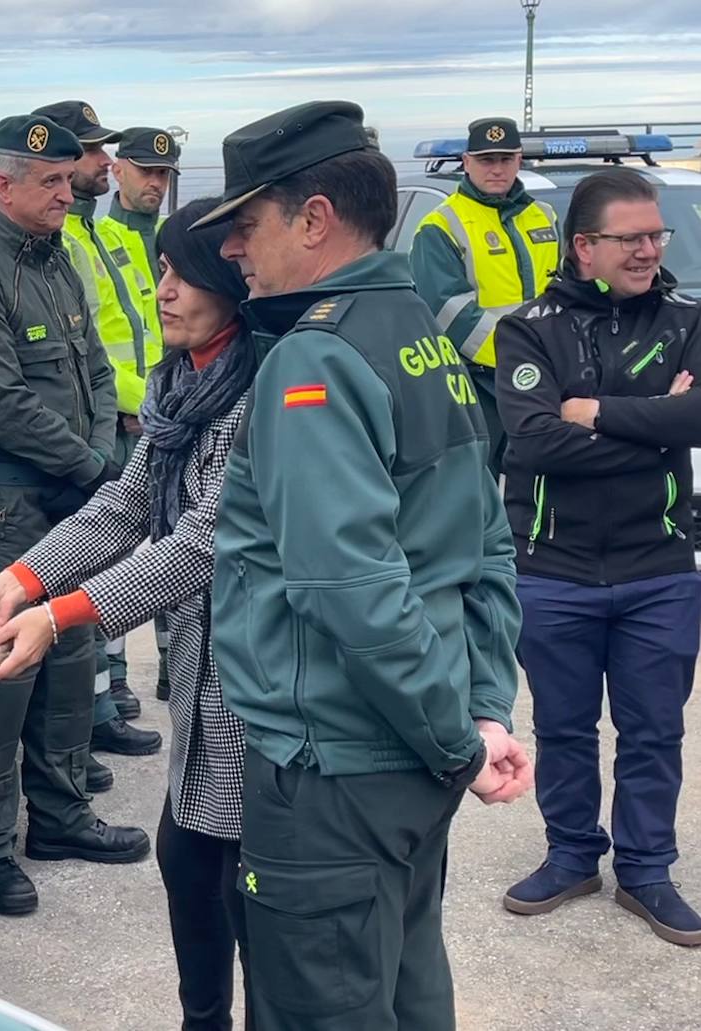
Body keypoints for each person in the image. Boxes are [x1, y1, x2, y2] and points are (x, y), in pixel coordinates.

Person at [200, 101, 533, 1029]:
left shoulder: (314, 357)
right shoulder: (419, 331)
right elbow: (486, 543)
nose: (231, 247)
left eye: (246, 222)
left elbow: (349, 587)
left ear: (313, 219)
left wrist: (459, 736)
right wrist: (479, 707)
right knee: (407, 989)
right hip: (411, 754)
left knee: (325, 1004)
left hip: (334, 768)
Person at [0, 196, 253, 1030]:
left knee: (241, 886)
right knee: (190, 863)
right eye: (161, 271)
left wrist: (61, 615)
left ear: (233, 282)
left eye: (185, 275)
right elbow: (125, 505)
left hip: (254, 673)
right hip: (202, 668)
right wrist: (22, 577)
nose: (164, 291)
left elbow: (204, 540)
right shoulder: (182, 381)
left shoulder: (258, 392)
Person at [0, 114, 150, 916]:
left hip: (73, 499)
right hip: (10, 506)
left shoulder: (60, 266)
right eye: (50, 181)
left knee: (69, 660)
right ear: (2, 186)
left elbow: (98, 374)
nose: (66, 192)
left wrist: (95, 464)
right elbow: (1, 401)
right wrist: (92, 469)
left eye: (66, 179)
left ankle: (59, 816)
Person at [496, 167, 701, 947]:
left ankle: (646, 869)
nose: (650, 250)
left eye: (656, 235)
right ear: (584, 247)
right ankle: (573, 854)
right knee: (565, 727)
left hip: (659, 569)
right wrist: (657, 422)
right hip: (554, 570)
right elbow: (534, 442)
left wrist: (595, 413)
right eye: (631, 238)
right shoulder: (528, 329)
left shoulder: (687, 320)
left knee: (654, 731)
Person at [31, 100, 162, 764]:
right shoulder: (65, 244)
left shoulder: (110, 236)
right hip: (107, 424)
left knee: (118, 562)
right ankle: (95, 711)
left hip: (138, 414)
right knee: (92, 565)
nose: (105, 162)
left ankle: (106, 698)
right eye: (91, 152)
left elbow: (147, 330)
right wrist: (146, 401)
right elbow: (89, 355)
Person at [411, 116, 559, 477]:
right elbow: (449, 312)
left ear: (519, 160)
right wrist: (520, 357)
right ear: (467, 162)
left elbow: (565, 291)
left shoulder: (545, 216)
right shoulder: (441, 226)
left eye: (506, 159)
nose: (497, 169)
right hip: (478, 384)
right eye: (486, 160)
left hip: (546, 377)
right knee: (481, 486)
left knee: (542, 483)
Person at [105, 125, 179, 705]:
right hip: (123, 422)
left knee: (173, 547)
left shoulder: (178, 240)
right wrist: (146, 405)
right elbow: (95, 346)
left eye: (164, 173)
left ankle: (174, 663)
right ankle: (115, 679)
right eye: (145, 171)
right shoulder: (98, 238)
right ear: (117, 170)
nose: (155, 182)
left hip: (171, 416)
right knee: (117, 554)